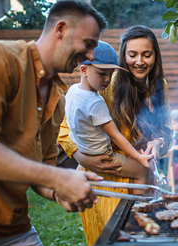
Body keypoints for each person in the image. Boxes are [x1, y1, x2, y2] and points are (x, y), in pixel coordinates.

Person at [0, 1, 107, 246]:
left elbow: (42, 168)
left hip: (14, 228)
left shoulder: (58, 98)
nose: (91, 56)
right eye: (89, 43)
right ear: (61, 29)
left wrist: (59, 191)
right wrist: (57, 178)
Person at [58, 25, 172, 246]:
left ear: (155, 56)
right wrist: (82, 157)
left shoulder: (160, 86)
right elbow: (66, 129)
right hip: (108, 179)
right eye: (132, 55)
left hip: (144, 180)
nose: (139, 61)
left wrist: (159, 143)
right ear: (123, 56)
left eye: (146, 54)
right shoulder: (106, 81)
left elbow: (166, 131)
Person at [65, 40, 153, 190]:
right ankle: (139, 210)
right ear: (84, 70)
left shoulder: (72, 90)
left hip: (83, 148)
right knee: (142, 171)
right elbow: (115, 136)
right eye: (102, 73)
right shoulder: (95, 103)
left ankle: (71, 188)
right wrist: (139, 157)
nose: (107, 79)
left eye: (111, 73)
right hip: (103, 155)